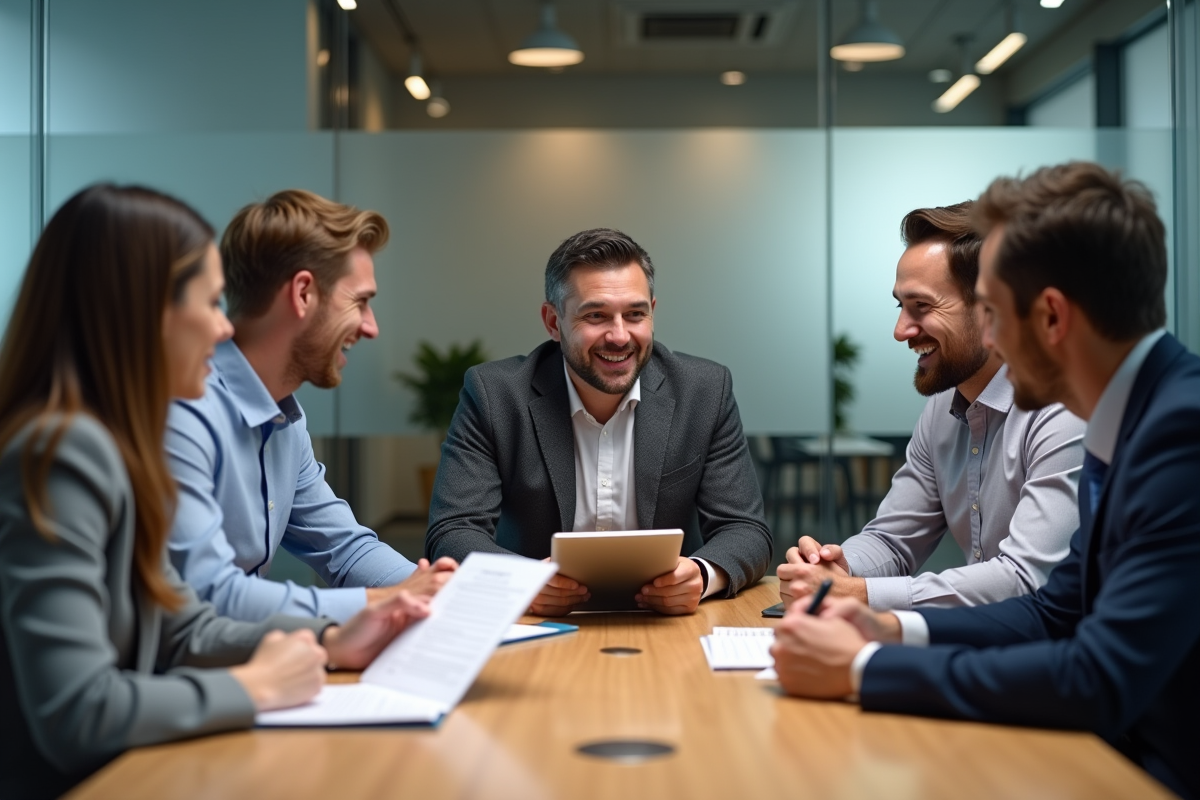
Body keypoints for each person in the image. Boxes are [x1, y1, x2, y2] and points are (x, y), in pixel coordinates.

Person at [771, 162, 1200, 799]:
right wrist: (890, 629)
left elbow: (1100, 676)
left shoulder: (1179, 431)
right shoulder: (1131, 412)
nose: (991, 339)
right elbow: (1056, 611)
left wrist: (865, 668)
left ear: (1051, 317)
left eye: (994, 312)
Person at [0, 185, 429, 800]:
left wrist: (330, 641)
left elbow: (182, 626)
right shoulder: (63, 453)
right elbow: (77, 713)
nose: (226, 325)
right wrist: (256, 686)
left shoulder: (121, 443)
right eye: (208, 302)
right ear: (145, 314)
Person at [425, 227, 772, 616]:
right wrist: (521, 583)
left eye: (635, 314)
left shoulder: (703, 392)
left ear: (652, 312)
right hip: (539, 622)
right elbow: (453, 532)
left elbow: (745, 530)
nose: (620, 336)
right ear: (553, 322)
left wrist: (703, 575)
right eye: (596, 316)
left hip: (667, 621)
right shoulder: (495, 395)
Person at [165, 189, 455, 624]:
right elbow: (206, 593)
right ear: (303, 294)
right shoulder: (185, 409)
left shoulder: (284, 417)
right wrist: (383, 601)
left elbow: (343, 548)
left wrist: (442, 591)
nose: (371, 327)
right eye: (360, 302)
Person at [778, 202, 1084, 611]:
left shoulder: (1064, 409)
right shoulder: (943, 409)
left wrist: (861, 593)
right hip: (984, 639)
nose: (900, 330)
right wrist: (838, 568)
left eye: (921, 307)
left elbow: (1027, 579)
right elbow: (892, 540)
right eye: (900, 306)